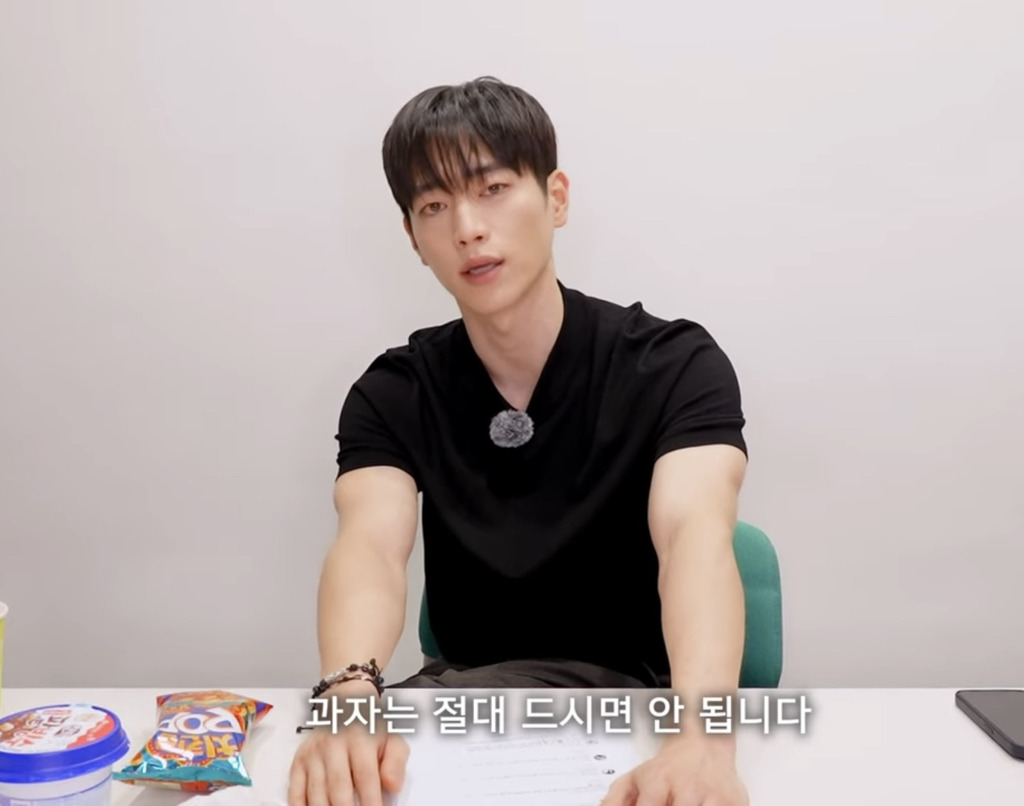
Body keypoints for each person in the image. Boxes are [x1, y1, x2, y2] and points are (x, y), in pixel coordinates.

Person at [288, 76, 750, 806]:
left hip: (632, 705)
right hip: (466, 704)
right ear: (413, 238)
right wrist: (349, 696)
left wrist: (701, 740)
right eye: (434, 206)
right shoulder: (394, 390)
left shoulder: (673, 366)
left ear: (556, 198)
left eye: (493, 189)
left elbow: (694, 535)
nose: (467, 227)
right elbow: (369, 545)